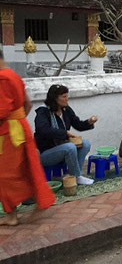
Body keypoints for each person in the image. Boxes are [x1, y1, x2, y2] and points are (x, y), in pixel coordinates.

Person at [0, 50, 55, 226]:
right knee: (25, 167)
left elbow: (2, 111)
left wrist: (11, 120)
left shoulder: (2, 78)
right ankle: (36, 202)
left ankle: (12, 215)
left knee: (5, 174)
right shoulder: (14, 76)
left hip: (8, 131)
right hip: (20, 127)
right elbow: (28, 104)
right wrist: (19, 119)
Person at [34, 85, 98, 185]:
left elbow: (78, 125)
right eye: (64, 97)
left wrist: (89, 122)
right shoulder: (43, 112)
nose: (67, 99)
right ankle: (76, 176)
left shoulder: (66, 110)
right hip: (46, 153)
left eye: (67, 96)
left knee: (85, 144)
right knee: (70, 147)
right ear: (55, 98)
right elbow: (43, 130)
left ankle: (74, 175)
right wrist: (65, 133)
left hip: (62, 148)